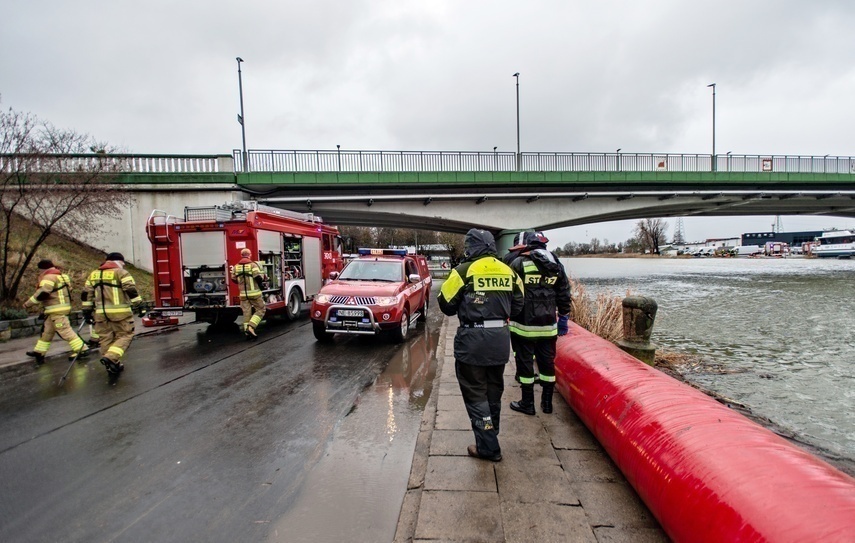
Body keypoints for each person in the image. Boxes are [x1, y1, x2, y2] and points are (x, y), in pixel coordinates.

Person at [437, 229, 524, 462]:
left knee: (475, 393)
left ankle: (488, 446)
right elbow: (518, 306)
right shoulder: (509, 271)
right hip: (499, 341)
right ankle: (490, 432)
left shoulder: (464, 271)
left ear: (470, 247)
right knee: (494, 390)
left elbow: (445, 304)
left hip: (472, 343)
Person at [506, 231, 572, 415]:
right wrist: (564, 315)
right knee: (547, 364)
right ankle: (547, 404)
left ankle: (527, 403)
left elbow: (510, 292)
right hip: (548, 325)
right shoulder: (555, 264)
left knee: (525, 363)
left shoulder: (518, 263)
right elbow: (564, 291)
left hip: (523, 326)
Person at [81, 252, 144, 376]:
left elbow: (86, 294)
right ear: (116, 261)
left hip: (100, 315)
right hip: (120, 314)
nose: (124, 264)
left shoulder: (93, 275)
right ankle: (111, 357)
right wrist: (139, 305)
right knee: (125, 335)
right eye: (122, 262)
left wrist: (86, 311)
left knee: (105, 339)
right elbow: (130, 289)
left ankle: (112, 365)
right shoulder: (121, 273)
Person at [24, 259, 89, 364]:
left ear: (42, 269)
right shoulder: (63, 276)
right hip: (59, 308)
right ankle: (39, 352)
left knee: (65, 331)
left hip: (56, 309)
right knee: (47, 332)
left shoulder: (48, 277)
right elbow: (69, 290)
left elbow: (43, 294)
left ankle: (82, 349)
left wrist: (27, 304)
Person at [231, 248, 267, 339]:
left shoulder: (236, 267)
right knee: (261, 310)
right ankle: (251, 327)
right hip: (255, 293)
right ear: (249, 255)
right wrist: (261, 285)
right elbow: (258, 277)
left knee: (246, 312)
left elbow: (233, 279)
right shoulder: (253, 265)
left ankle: (247, 332)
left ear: (241, 255)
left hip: (243, 295)